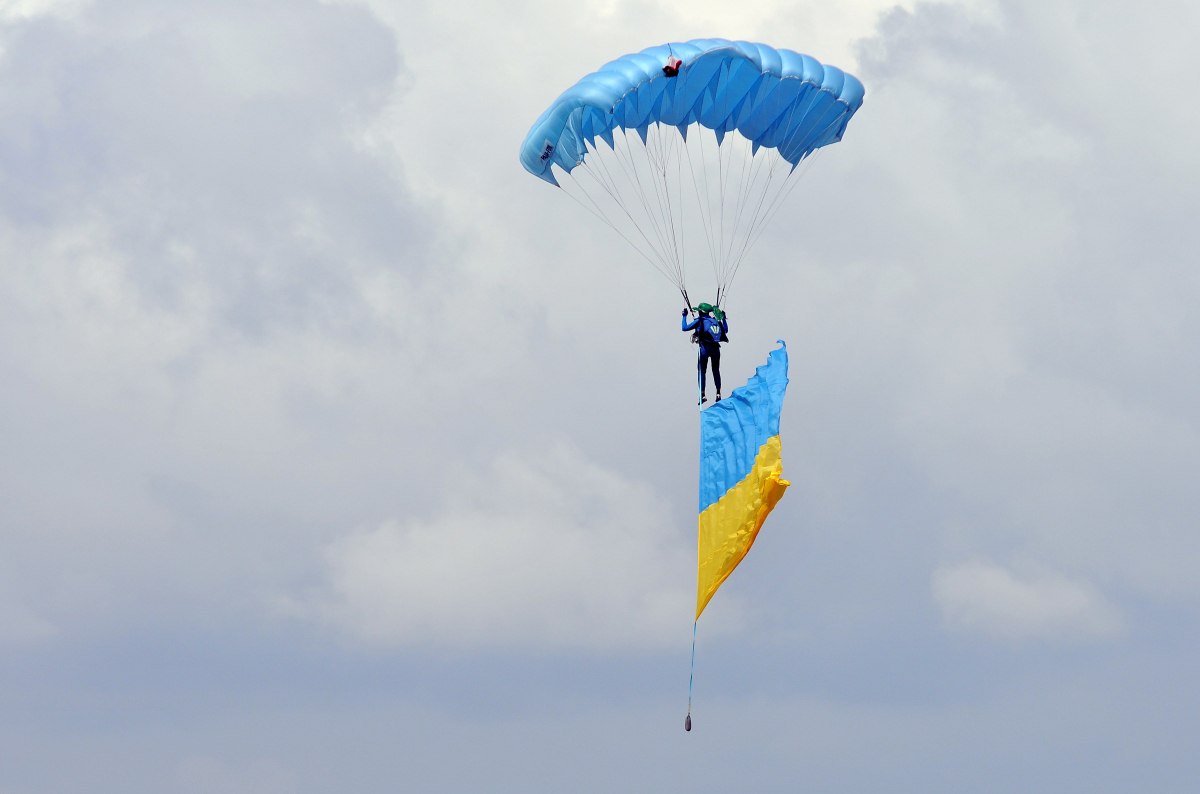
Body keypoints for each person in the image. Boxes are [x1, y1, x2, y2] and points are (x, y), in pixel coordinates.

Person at [681, 303, 728, 405]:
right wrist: (723, 318)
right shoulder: (716, 320)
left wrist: (684, 315)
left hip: (704, 350)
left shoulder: (699, 321)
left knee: (702, 371)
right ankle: (718, 393)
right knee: (715, 370)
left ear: (701, 312)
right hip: (716, 349)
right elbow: (726, 330)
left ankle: (702, 394)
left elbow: (684, 328)